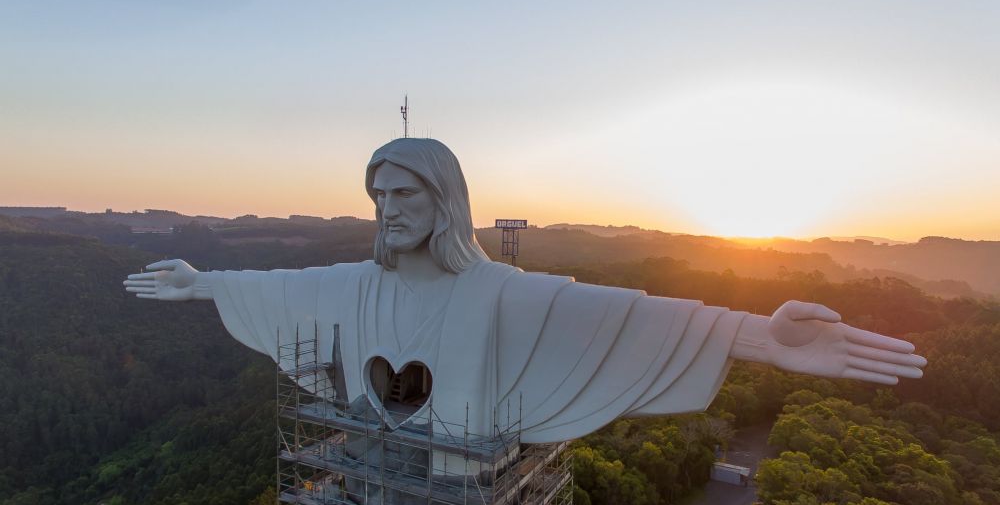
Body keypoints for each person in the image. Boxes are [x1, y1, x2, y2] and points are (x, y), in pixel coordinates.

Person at [124, 138, 925, 443]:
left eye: (403, 195)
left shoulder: (506, 295)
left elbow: (628, 318)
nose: (387, 211)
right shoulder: (356, 285)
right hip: (384, 489)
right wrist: (204, 283)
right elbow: (288, 287)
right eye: (378, 198)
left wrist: (761, 335)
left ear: (446, 202)